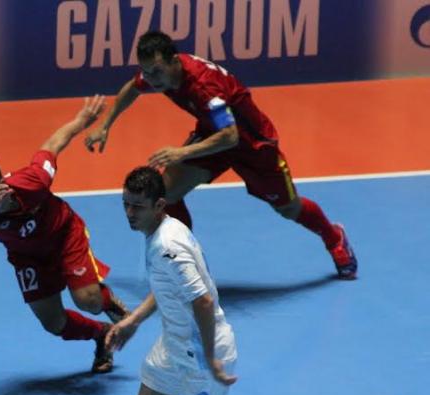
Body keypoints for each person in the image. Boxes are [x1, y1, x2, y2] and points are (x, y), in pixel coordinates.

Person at [85, 31, 357, 280]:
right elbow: (133, 87)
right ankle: (185, 260)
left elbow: (230, 136)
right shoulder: (162, 74)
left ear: (173, 61)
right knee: (166, 192)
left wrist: (181, 153)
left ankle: (334, 237)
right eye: (146, 71)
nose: (151, 79)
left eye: (156, 71)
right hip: (212, 135)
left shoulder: (204, 86)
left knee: (289, 207)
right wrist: (105, 125)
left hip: (252, 145)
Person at [106, 167, 306, 395]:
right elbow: (170, 289)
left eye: (137, 206)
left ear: (159, 204)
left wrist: (211, 359)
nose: (129, 213)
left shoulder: (168, 247)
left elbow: (202, 300)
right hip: (175, 345)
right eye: (125, 203)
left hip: (202, 354)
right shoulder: (163, 231)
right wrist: (134, 321)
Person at [0, 95, 129, 374]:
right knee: (53, 323)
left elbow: (51, 146)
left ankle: (108, 302)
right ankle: (101, 334)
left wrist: (80, 122)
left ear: (0, 183)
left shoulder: (31, 181)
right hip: (28, 258)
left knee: (88, 301)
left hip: (63, 235)